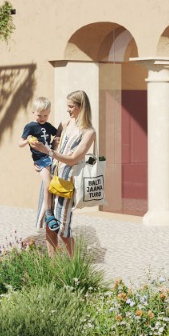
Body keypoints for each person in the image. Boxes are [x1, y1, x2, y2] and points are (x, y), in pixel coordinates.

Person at [41, 90, 97, 256]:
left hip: (67, 182)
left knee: (63, 229)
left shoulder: (89, 132)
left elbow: (73, 159)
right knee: (49, 224)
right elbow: (53, 146)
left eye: (71, 106)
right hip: (52, 177)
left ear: (82, 107)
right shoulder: (65, 124)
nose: (68, 110)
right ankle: (52, 265)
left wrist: (48, 152)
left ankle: (73, 266)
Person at [20, 96, 59, 236]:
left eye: (45, 115)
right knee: (48, 184)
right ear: (33, 112)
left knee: (54, 184)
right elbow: (20, 143)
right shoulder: (30, 127)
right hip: (41, 160)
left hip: (51, 156)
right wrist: (28, 141)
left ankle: (52, 211)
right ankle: (48, 213)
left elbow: (58, 134)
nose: (42, 118)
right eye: (39, 115)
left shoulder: (48, 126)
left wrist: (62, 129)